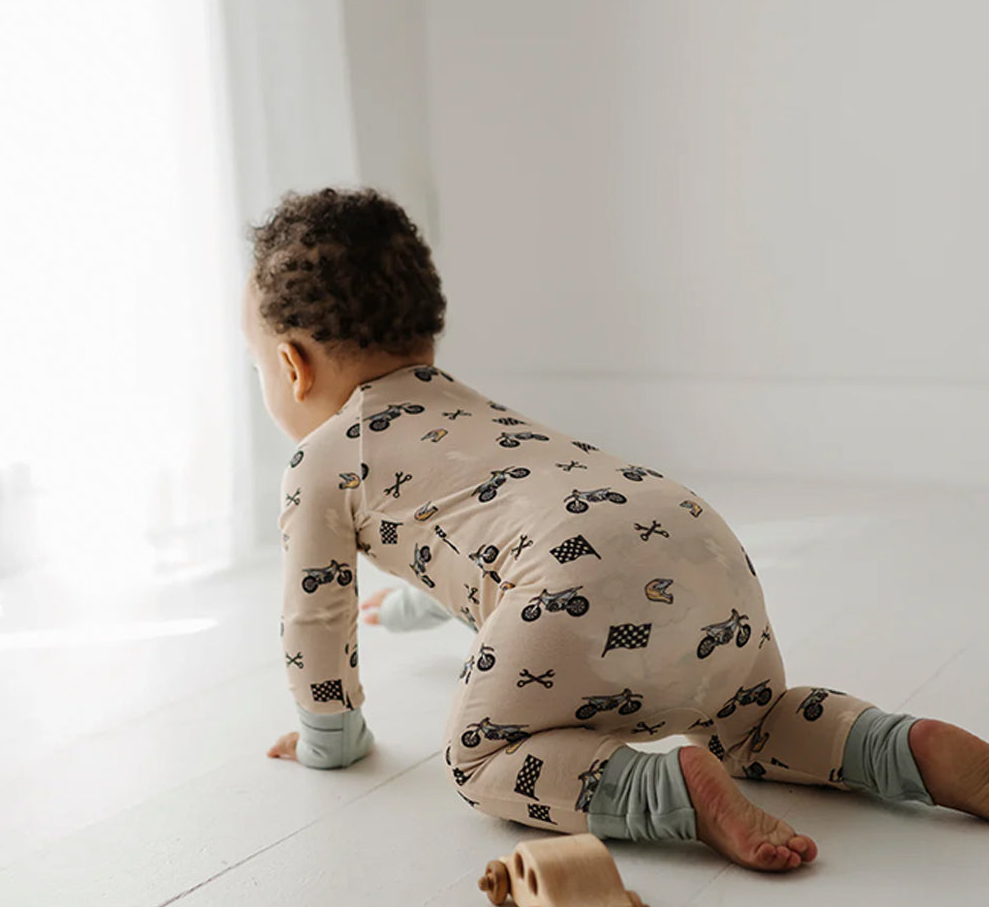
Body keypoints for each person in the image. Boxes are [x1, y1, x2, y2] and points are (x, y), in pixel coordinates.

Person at [246, 186, 989, 872]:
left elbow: (316, 617)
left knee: (480, 759)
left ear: (291, 366)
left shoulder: (324, 459)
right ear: (424, 334)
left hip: (576, 584)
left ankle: (665, 788)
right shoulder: (472, 413)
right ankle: (903, 750)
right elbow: (479, 540)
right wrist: (410, 609)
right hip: (699, 541)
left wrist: (331, 741)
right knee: (756, 721)